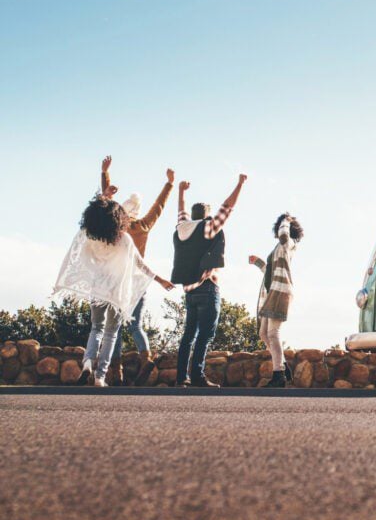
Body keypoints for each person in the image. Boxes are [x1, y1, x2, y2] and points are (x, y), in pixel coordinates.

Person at [54, 193, 175, 386]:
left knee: (96, 329)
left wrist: (105, 196)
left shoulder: (91, 238)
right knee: (111, 334)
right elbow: (140, 265)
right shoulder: (124, 240)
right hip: (117, 294)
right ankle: (100, 376)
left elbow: (84, 236)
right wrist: (160, 280)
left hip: (98, 290)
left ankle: (87, 363)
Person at [99, 156, 175, 386]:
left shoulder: (117, 226)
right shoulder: (142, 226)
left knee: (114, 327)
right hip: (139, 281)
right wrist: (169, 184)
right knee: (135, 325)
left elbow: (104, 205)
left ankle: (116, 371)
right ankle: (146, 359)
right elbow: (159, 207)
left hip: (118, 281)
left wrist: (105, 173)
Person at [172, 174, 247, 387]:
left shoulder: (181, 228)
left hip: (189, 291)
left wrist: (181, 191)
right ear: (205, 216)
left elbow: (181, 211)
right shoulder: (207, 228)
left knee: (188, 336)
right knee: (205, 335)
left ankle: (181, 378)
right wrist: (240, 184)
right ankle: (197, 376)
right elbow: (227, 207)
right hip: (207, 287)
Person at [248, 213, 304, 388]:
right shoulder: (279, 247)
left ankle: (278, 374)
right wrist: (258, 263)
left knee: (273, 333)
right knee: (263, 334)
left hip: (281, 292)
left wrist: (286, 220)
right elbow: (271, 272)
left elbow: (284, 235)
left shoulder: (289, 243)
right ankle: (284, 366)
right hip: (272, 292)